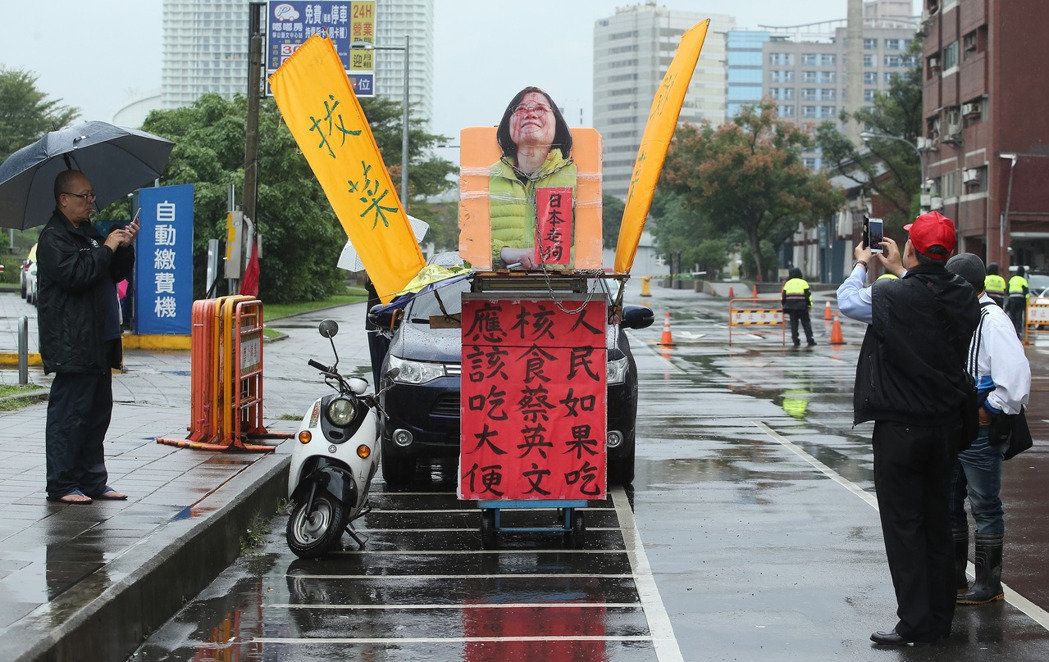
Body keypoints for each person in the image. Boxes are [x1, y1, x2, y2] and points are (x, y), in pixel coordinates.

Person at [836, 210, 980, 646]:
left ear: (913, 248)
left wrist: (864, 262)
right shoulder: (964, 297)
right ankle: (939, 619)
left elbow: (848, 301)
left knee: (904, 526)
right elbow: (929, 292)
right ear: (950, 253)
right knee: (938, 521)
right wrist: (902, 268)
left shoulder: (890, 297)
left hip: (900, 428)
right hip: (945, 427)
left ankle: (915, 622)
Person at [38, 170, 137, 504]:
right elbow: (76, 275)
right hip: (72, 342)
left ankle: (93, 480)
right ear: (64, 199)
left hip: (99, 338)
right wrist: (107, 246)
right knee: (69, 416)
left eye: (92, 195)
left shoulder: (88, 233)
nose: (91, 202)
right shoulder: (54, 238)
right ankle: (62, 484)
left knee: (97, 415)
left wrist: (122, 247)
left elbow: (113, 273)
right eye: (84, 196)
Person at [944, 253, 1030, 606]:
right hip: (955, 425)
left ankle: (988, 584)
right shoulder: (961, 313)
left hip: (980, 431)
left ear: (964, 286)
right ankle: (955, 578)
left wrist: (990, 408)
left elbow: (1015, 379)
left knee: (984, 505)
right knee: (950, 502)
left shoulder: (992, 320)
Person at [489, 86, 576, 269]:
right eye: (520, 110)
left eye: (540, 109)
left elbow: (590, 245)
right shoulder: (486, 179)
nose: (530, 114)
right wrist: (505, 253)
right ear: (508, 124)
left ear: (556, 123)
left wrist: (544, 262)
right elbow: (469, 242)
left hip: (564, 291)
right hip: (495, 289)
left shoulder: (577, 178)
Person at [781, 267, 816, 347]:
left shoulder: (787, 283)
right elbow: (808, 296)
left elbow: (783, 296)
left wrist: (784, 305)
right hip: (802, 307)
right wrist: (809, 305)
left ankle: (795, 340)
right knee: (806, 324)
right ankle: (810, 340)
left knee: (794, 324)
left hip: (791, 308)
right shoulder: (804, 283)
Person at [1005, 266, 1029, 338]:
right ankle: (1018, 332)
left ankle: (1012, 331)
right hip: (1020, 300)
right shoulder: (1023, 280)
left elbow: (1007, 291)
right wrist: (1027, 301)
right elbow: (1026, 292)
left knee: (1012, 315)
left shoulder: (1012, 279)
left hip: (1012, 299)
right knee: (1019, 316)